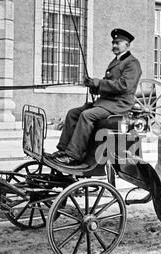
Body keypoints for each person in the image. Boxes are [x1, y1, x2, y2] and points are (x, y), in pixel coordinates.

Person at [52, 28, 142, 166]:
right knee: (72, 114)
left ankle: (73, 155)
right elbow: (109, 86)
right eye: (113, 43)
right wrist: (94, 86)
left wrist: (99, 83)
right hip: (106, 102)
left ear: (127, 45)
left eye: (118, 43)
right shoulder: (116, 62)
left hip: (119, 105)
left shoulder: (132, 63)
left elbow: (124, 86)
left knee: (87, 115)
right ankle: (63, 150)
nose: (114, 46)